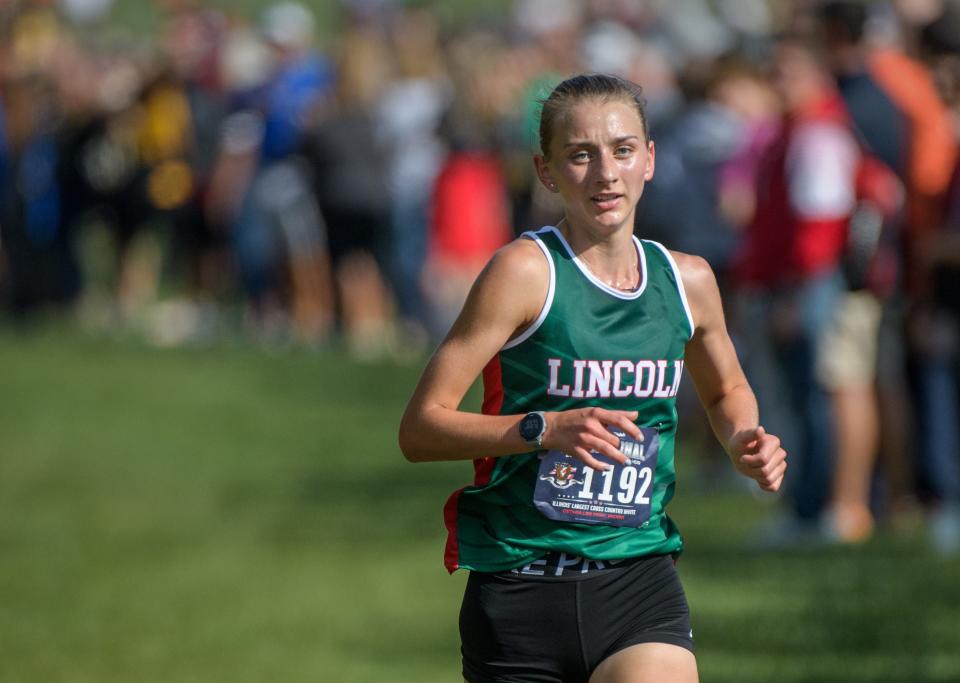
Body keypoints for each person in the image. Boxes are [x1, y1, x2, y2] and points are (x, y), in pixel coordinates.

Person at [399, 74, 786, 683]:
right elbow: (420, 430)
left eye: (623, 150)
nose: (606, 173)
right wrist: (544, 428)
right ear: (547, 171)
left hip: (638, 578)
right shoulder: (524, 273)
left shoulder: (688, 282)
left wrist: (743, 439)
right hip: (519, 584)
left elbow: (725, 389)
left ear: (650, 159)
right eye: (581, 155)